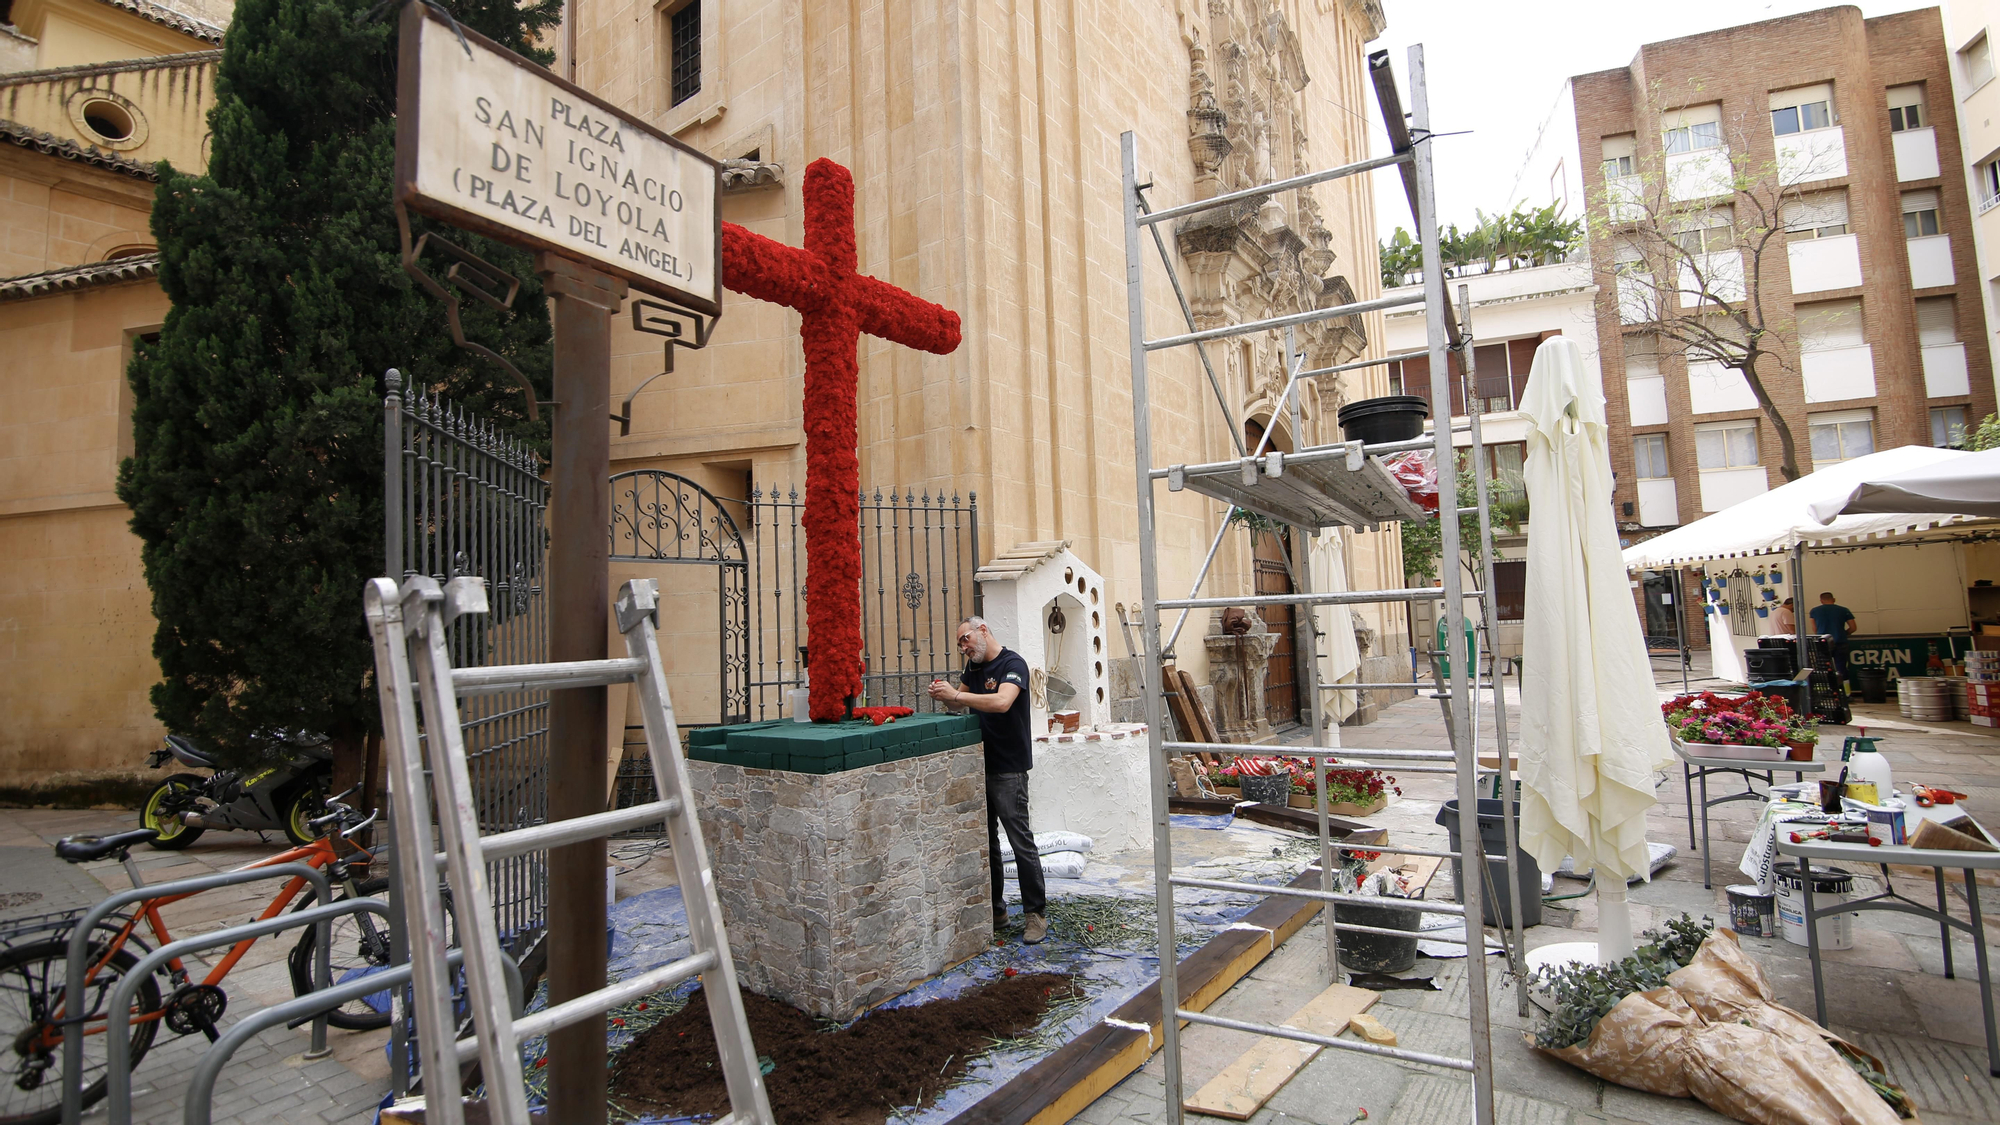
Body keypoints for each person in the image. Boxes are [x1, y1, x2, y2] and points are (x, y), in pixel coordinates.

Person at [928, 616, 1046, 944]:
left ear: (983, 631)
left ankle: (1036, 915)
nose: (963, 647)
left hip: (1008, 769)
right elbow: (959, 698)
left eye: (965, 639)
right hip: (977, 764)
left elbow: (1002, 702)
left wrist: (958, 696)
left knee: (1020, 841)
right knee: (988, 843)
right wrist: (944, 694)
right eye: (960, 644)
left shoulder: (1013, 664)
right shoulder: (974, 669)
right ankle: (997, 911)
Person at [1808, 591, 1857, 680]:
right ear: (1834, 599)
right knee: (1841, 667)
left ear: (1821, 601)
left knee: (1823, 668)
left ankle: (1827, 689)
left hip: (1823, 642)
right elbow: (1853, 627)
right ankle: (1844, 690)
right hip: (1840, 641)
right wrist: (1844, 633)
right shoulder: (1844, 610)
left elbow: (1815, 629)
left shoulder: (1814, 611)